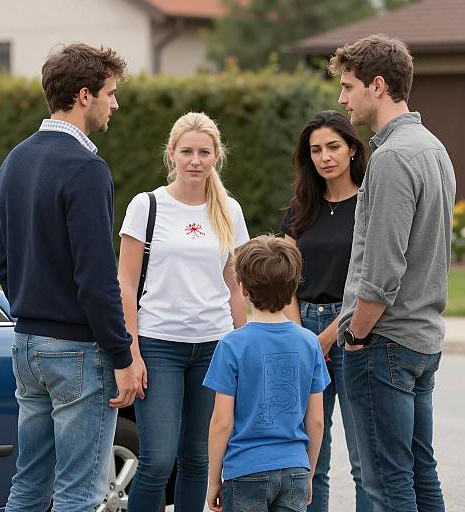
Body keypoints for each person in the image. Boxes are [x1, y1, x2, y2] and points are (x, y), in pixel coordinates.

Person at [0, 43, 138, 512]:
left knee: (28, 486)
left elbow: (3, 262)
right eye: (110, 94)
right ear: (84, 95)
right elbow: (96, 278)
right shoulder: (86, 168)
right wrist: (122, 355)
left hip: (28, 344)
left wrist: (30, 310)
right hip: (77, 351)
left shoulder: (14, 160)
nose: (114, 104)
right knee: (80, 493)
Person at [328, 34, 456, 512]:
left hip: (385, 342)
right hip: (422, 340)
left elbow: (382, 269)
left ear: (377, 85)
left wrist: (355, 334)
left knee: (386, 483)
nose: (342, 99)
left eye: (348, 87)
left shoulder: (392, 158)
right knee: (421, 473)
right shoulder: (433, 148)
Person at [118, 111, 249, 512]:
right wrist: (132, 351)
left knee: (199, 459)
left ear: (216, 156)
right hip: (159, 346)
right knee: (157, 459)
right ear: (171, 154)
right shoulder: (147, 205)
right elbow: (124, 282)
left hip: (215, 347)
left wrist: (243, 350)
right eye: (187, 151)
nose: (196, 160)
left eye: (204, 152)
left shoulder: (230, 210)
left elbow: (236, 286)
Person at [281, 110, 372, 512]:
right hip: (302, 329)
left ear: (352, 148)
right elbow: (283, 280)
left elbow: (370, 280)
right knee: (309, 456)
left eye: (333, 146)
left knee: (364, 461)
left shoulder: (370, 205)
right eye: (315, 150)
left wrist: (327, 337)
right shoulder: (300, 210)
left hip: (353, 331)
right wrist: (302, 338)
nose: (325, 157)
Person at [203, 235, 330, 512]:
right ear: (293, 286)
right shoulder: (309, 343)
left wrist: (213, 480)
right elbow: (317, 421)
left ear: (244, 289)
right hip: (295, 466)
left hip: (245, 469)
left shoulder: (232, 345)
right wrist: (308, 472)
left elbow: (221, 422)